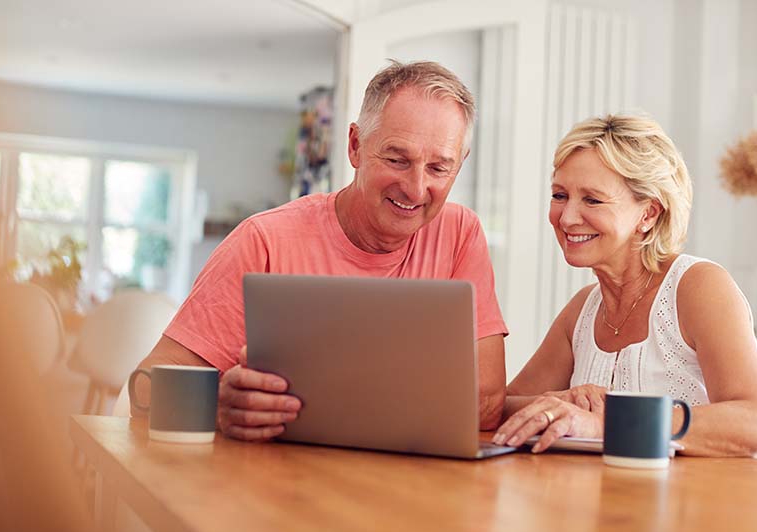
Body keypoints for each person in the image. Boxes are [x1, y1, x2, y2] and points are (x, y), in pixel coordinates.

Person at [133, 61, 509, 440]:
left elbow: (487, 403)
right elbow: (145, 389)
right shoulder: (265, 240)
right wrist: (215, 407)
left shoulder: (460, 233)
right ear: (355, 146)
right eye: (397, 160)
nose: (415, 188)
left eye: (439, 169)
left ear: (459, 165)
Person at [491, 114, 757, 463]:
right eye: (560, 195)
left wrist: (607, 420)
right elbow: (499, 406)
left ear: (648, 214)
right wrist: (564, 403)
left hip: (736, 506)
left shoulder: (698, 287)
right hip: (636, 504)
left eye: (592, 200)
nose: (567, 217)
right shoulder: (583, 310)